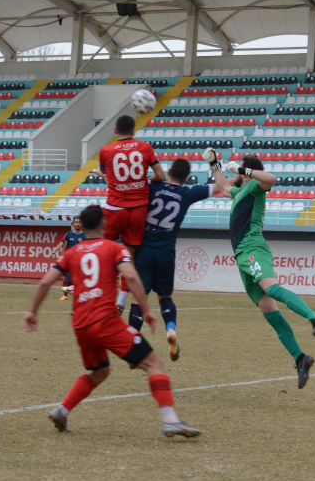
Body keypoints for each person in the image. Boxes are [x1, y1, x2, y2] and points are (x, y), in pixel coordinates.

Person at [23, 204, 201, 438]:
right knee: (154, 364)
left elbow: (45, 283)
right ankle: (170, 421)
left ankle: (62, 410)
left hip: (81, 325)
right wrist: (146, 310)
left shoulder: (71, 252)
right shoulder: (115, 248)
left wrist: (32, 312)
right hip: (105, 321)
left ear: (82, 226)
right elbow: (130, 275)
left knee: (100, 371)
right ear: (105, 223)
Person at [205, 148, 315, 389]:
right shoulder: (241, 191)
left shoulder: (253, 187)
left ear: (247, 172)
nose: (237, 173)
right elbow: (221, 187)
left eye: (241, 170)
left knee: (271, 289)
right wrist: (215, 165)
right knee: (270, 312)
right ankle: (301, 359)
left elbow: (271, 180)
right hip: (242, 254)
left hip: (252, 248)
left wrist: (243, 169)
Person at [127, 158, 217, 362]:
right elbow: (218, 186)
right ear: (186, 178)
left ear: (168, 171)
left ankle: (132, 341)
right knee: (164, 298)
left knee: (139, 299)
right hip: (166, 252)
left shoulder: (152, 186)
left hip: (145, 251)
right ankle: (171, 330)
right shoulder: (188, 193)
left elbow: (131, 187)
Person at [88, 115, 165, 313]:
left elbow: (111, 178)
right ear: (133, 130)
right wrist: (143, 180)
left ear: (115, 130)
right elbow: (161, 176)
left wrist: (100, 174)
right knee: (128, 257)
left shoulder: (106, 151)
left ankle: (98, 293)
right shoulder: (145, 147)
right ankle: (121, 300)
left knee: (100, 249)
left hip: (115, 209)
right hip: (138, 210)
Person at [53, 216, 85, 300]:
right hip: (71, 262)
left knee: (80, 281)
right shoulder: (68, 234)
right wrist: (62, 257)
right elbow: (65, 246)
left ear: (81, 224)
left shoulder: (85, 235)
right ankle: (67, 295)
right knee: (69, 280)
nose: (77, 224)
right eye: (76, 222)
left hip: (81, 262)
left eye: (79, 222)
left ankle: (79, 296)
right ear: (73, 223)